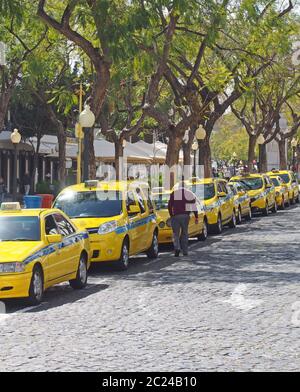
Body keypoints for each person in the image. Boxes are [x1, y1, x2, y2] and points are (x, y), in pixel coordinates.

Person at [168, 182, 198, 257]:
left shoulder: (174, 193)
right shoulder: (189, 194)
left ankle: (177, 248)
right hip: (185, 216)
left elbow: (169, 206)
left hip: (176, 216)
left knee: (176, 234)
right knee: (184, 233)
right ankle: (185, 251)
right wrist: (196, 216)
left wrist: (171, 215)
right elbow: (193, 206)